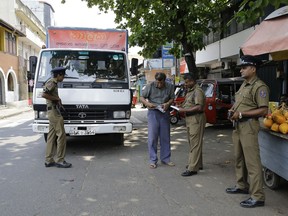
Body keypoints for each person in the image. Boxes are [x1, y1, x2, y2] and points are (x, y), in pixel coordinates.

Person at [226, 55, 269, 208]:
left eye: (244, 67)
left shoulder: (260, 86)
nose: (241, 70)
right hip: (238, 125)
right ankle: (241, 185)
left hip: (249, 126)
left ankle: (258, 196)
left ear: (253, 69)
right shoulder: (245, 85)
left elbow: (264, 110)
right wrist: (233, 110)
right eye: (241, 68)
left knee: (252, 162)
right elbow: (240, 103)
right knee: (238, 158)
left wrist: (242, 114)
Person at [140, 72, 175, 169]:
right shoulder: (150, 86)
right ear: (155, 80)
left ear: (164, 81)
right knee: (152, 137)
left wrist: (168, 103)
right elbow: (142, 97)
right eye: (157, 82)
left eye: (161, 83)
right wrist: (148, 104)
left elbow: (172, 98)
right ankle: (153, 160)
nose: (159, 85)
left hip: (164, 112)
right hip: (153, 113)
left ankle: (166, 159)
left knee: (165, 137)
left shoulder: (170, 86)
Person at [42, 67, 72, 168]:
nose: (63, 78)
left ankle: (49, 160)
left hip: (53, 111)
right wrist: (57, 98)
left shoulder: (53, 83)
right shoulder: (52, 82)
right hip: (54, 113)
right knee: (62, 135)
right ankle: (60, 160)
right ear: (58, 75)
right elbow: (44, 94)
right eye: (63, 75)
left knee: (51, 136)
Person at [177, 73, 206, 177]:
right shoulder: (190, 91)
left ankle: (192, 168)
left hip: (196, 118)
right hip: (190, 119)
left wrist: (183, 109)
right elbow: (189, 104)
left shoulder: (198, 91)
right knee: (193, 142)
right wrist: (180, 106)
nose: (185, 84)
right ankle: (198, 164)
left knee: (195, 143)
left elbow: (199, 107)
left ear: (192, 81)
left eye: (187, 82)